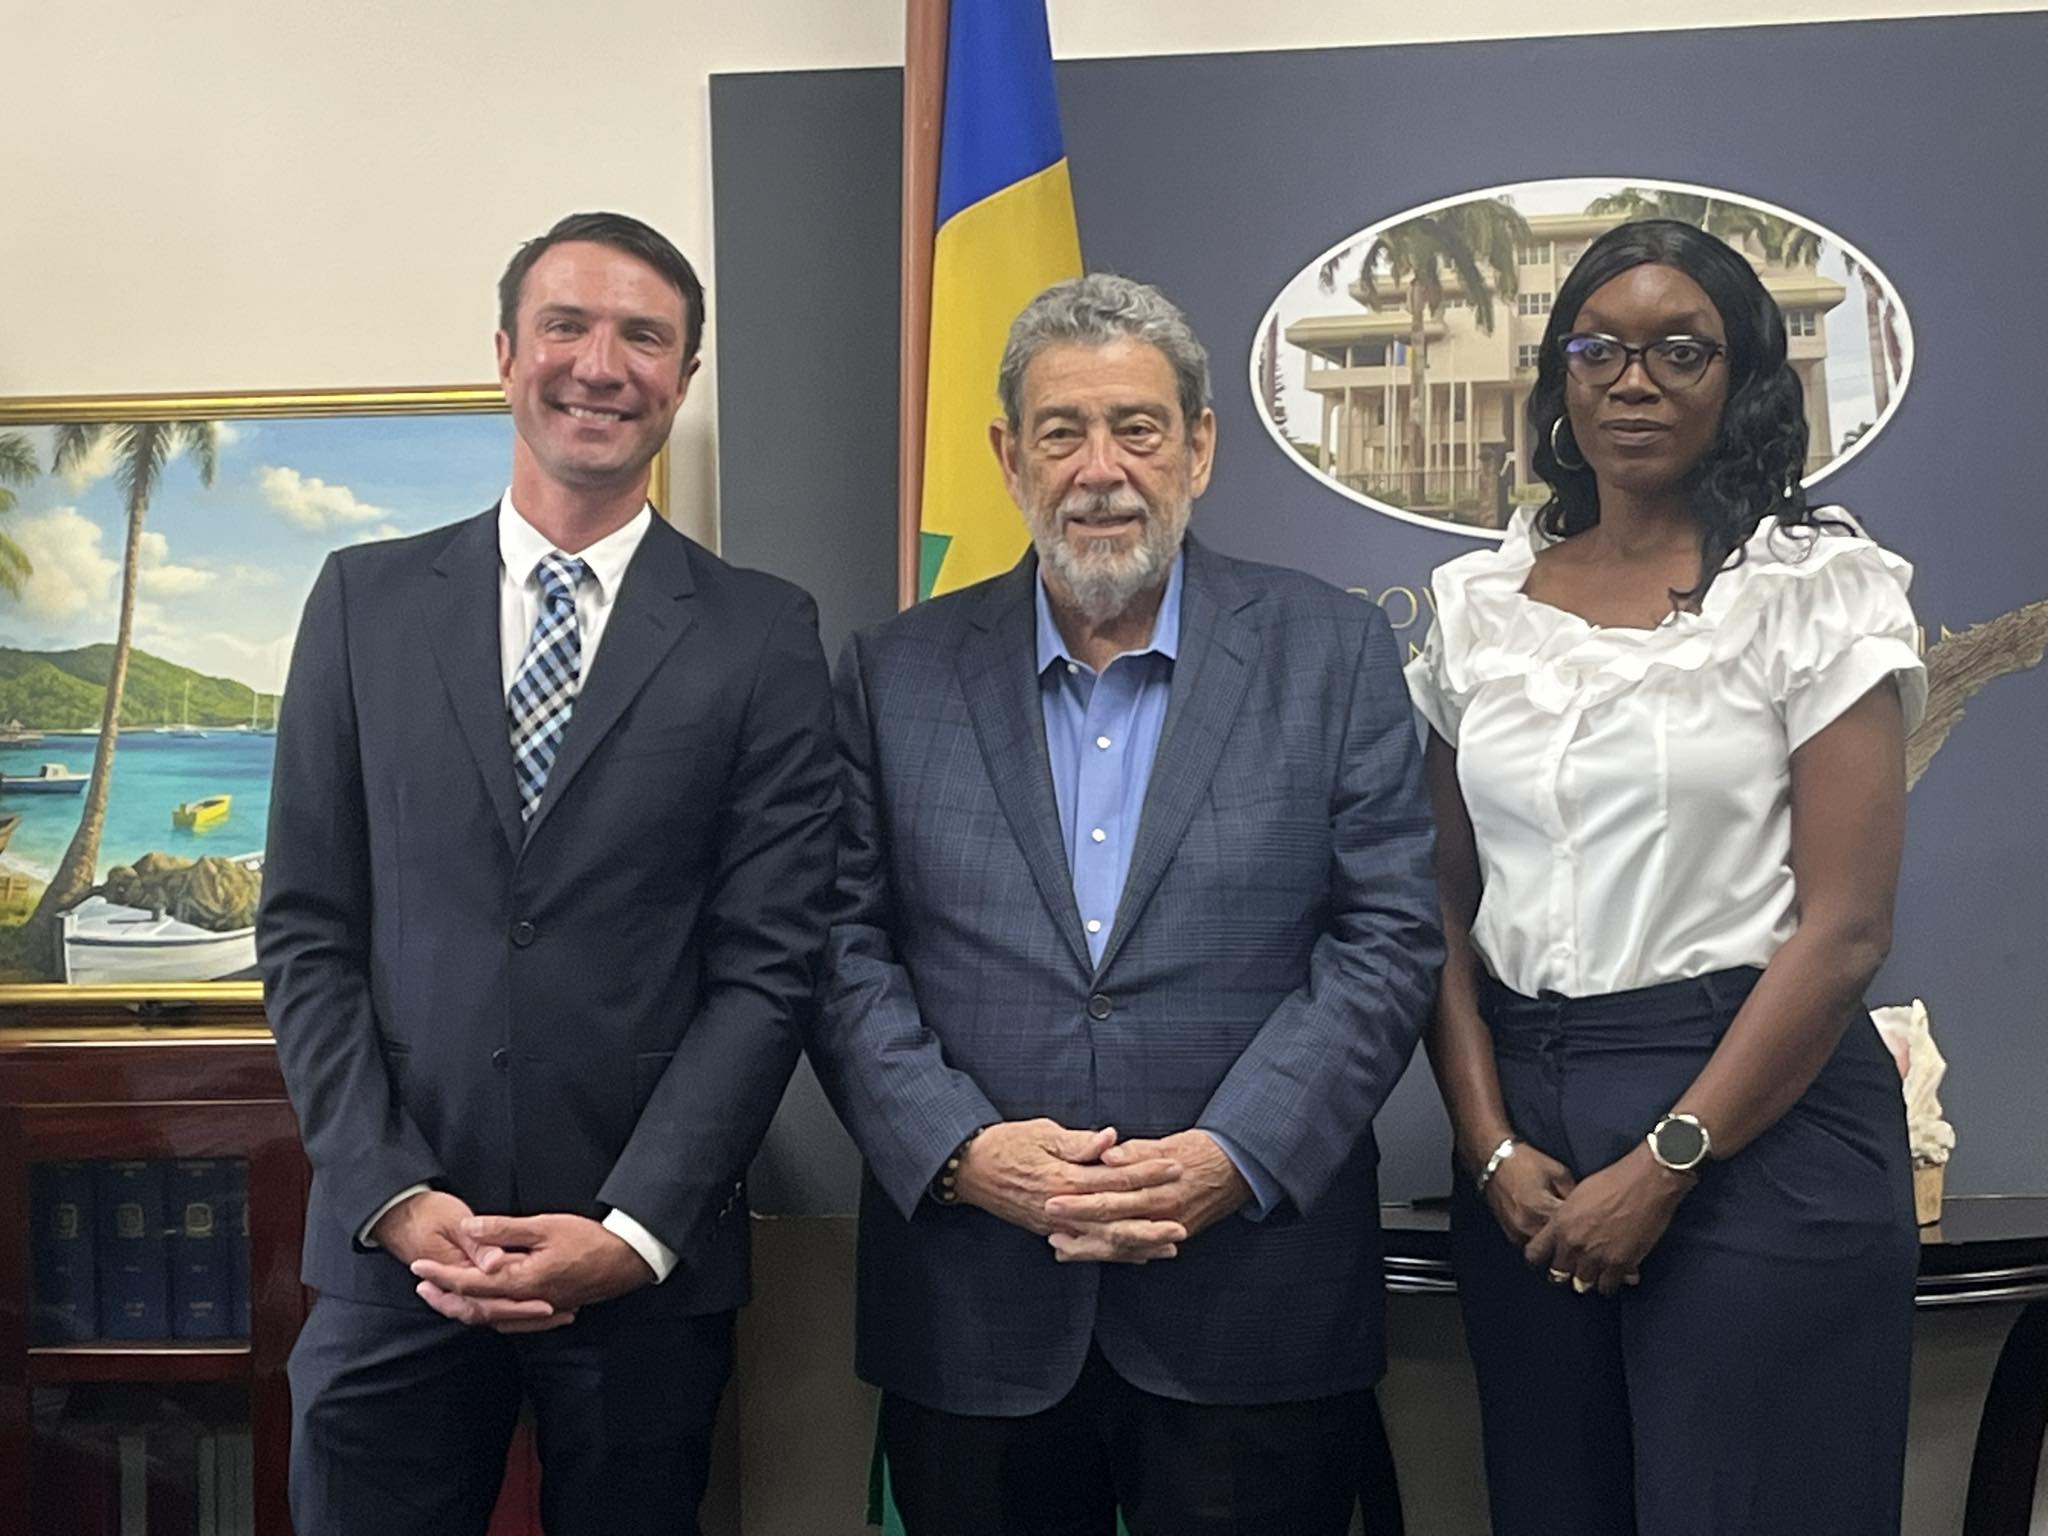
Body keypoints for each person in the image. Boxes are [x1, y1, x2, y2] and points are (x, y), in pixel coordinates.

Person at [809, 273, 1441, 1534]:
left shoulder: (1330, 651)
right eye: (1061, 432)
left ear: (1197, 447)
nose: (1099, 470)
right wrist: (961, 1150)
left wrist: (1231, 1155)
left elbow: (1383, 939)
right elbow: (837, 945)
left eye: (1135, 428)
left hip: (1248, 1298)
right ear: (1008, 459)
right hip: (977, 1307)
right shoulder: (894, 673)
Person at [257, 210, 837, 1536]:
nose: (601, 364)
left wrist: (632, 1228)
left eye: (644, 337)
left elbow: (769, 968)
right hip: (392, 1256)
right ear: (506, 353)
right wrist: (393, 1195)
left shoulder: (761, 634)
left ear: (683, 378)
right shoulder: (360, 601)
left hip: (640, 1273)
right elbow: (306, 930)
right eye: (566, 326)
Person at [1407, 218, 1925, 1535]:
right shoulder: (1479, 608)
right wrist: (1487, 1142)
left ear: (1739, 376)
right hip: (1526, 1139)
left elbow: (1845, 929)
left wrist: (1667, 1158)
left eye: (1678, 351)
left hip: (1754, 1114)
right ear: (1560, 380)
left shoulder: (1813, 588)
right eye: (1599, 351)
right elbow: (1435, 909)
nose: (1632, 382)